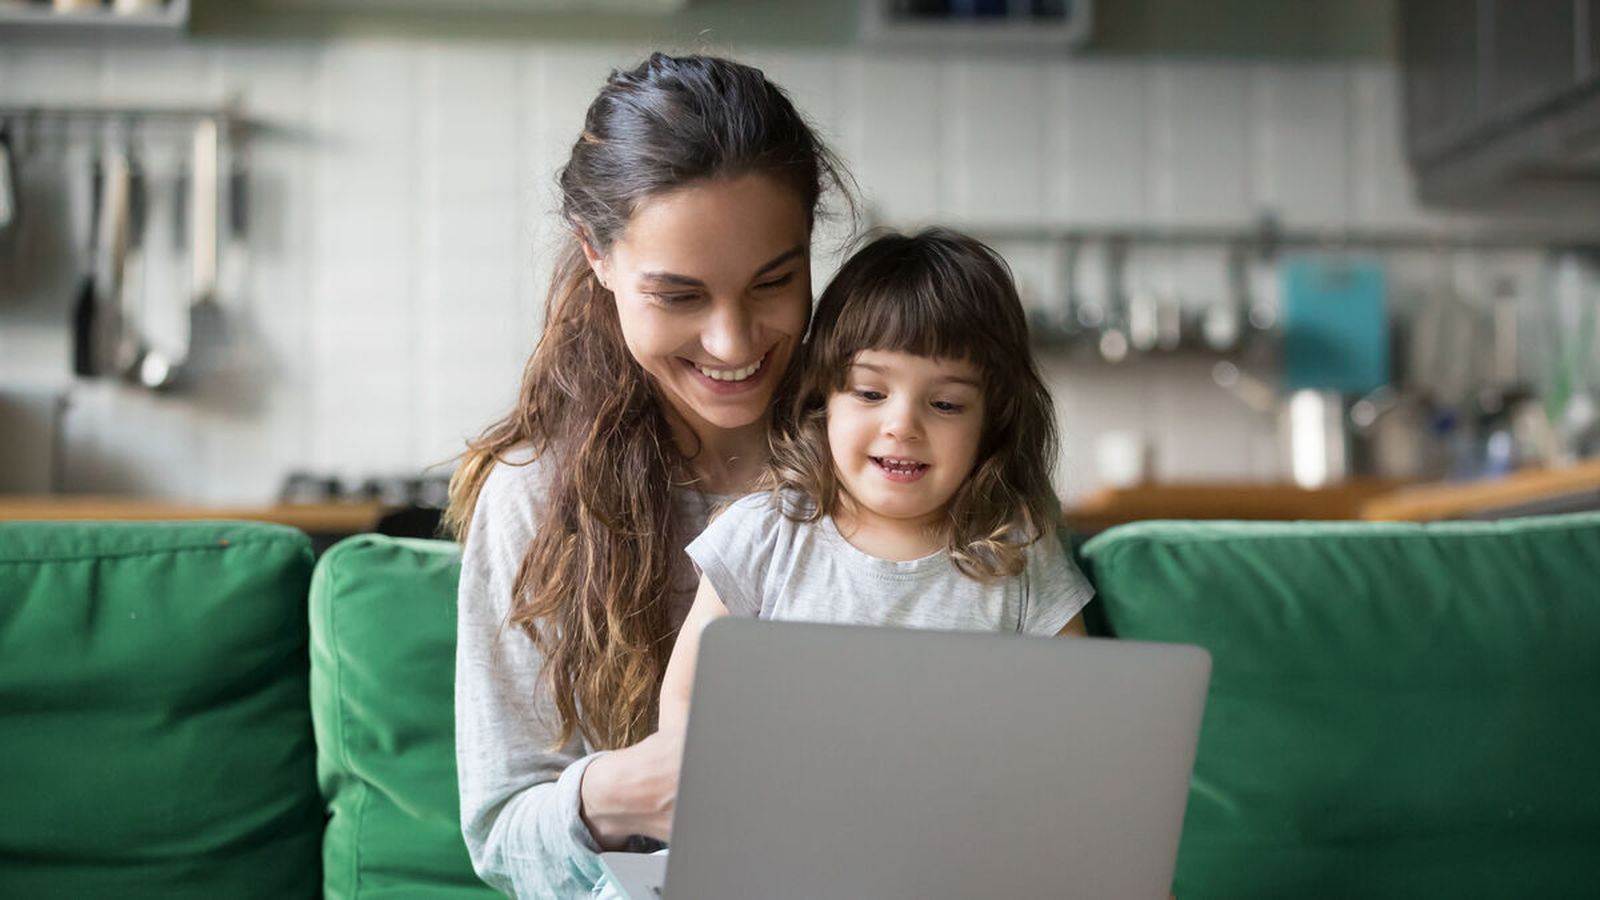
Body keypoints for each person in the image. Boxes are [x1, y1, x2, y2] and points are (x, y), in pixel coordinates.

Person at [446, 53, 851, 898]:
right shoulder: (534, 495)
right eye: (679, 296)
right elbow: (501, 837)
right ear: (596, 256)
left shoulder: (886, 461)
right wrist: (631, 791)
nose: (735, 344)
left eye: (775, 282)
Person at [659, 228, 1095, 731]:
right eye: (870, 393)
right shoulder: (762, 535)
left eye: (946, 404)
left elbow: (1073, 716)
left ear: (990, 424)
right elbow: (687, 701)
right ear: (825, 399)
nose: (903, 426)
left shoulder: (1017, 555)